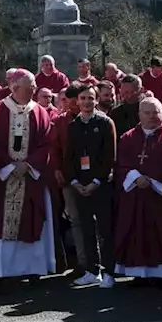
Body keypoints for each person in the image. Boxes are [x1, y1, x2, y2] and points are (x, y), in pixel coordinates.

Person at [0, 69, 56, 289]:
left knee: (31, 221)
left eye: (34, 86)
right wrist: (8, 166)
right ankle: (2, 273)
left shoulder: (40, 112)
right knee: (2, 223)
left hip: (30, 177)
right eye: (30, 87)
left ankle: (32, 270)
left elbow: (46, 143)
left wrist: (28, 164)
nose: (34, 90)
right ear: (15, 88)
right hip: (4, 179)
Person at [113, 97, 162, 286]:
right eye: (147, 113)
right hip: (134, 195)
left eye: (155, 112)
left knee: (160, 234)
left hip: (158, 197)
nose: (151, 116)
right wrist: (135, 177)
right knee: (135, 233)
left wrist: (150, 179)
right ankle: (138, 273)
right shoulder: (128, 137)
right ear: (139, 114)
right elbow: (121, 163)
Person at [63, 83, 117, 288]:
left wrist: (96, 181)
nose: (86, 102)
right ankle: (91, 270)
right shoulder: (73, 125)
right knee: (85, 228)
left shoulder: (105, 123)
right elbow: (68, 157)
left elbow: (109, 156)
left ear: (96, 100)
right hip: (80, 186)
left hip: (100, 185)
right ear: (77, 101)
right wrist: (75, 182)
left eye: (90, 98)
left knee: (105, 229)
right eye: (83, 98)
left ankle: (109, 272)